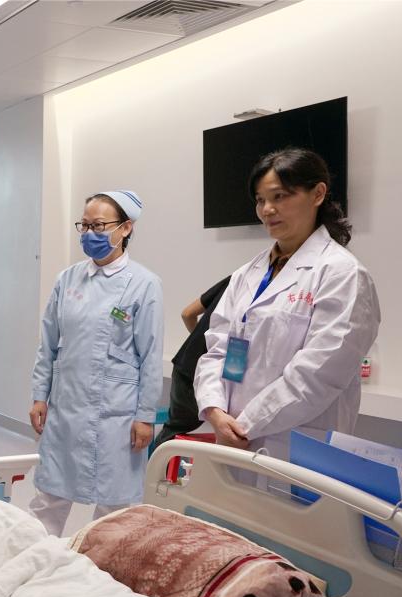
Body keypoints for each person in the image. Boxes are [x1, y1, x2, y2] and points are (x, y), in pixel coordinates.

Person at [195, 148, 380, 463]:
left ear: (317, 194)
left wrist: (243, 426)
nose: (267, 209)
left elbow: (317, 375)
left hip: (295, 448)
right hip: (231, 437)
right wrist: (214, 410)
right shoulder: (247, 274)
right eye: (260, 200)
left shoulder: (342, 274)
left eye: (279, 196)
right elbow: (216, 348)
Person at [28, 190, 164, 536]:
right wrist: (40, 395)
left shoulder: (144, 284)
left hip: (116, 413)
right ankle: (36, 556)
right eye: (85, 225)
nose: (90, 234)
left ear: (126, 228)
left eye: (99, 226)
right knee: (49, 495)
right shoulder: (67, 279)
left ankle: (99, 564)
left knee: (114, 508)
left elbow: (150, 355)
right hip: (66, 405)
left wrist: (145, 416)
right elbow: (48, 343)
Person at [152, 275, 231, 448]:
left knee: (173, 431)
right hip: (202, 372)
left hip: (185, 365)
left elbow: (188, 314)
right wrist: (210, 348)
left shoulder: (235, 278)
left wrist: (201, 343)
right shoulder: (246, 278)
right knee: (173, 437)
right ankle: (156, 465)